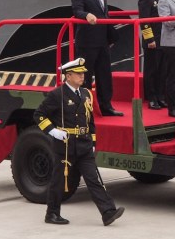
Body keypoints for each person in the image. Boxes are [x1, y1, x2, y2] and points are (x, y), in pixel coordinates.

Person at [33, 58, 125, 226]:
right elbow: (38, 114)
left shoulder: (85, 94)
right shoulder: (57, 95)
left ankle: (107, 212)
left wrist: (93, 141)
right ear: (68, 76)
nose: (82, 76)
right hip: (65, 145)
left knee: (93, 179)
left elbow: (90, 120)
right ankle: (52, 213)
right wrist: (53, 131)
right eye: (78, 73)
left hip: (83, 143)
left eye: (83, 73)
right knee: (58, 181)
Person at [71, 0, 121, 117]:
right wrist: (86, 15)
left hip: (102, 41)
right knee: (85, 76)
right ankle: (85, 108)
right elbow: (77, 10)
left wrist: (110, 35)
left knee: (105, 74)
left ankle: (106, 106)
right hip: (88, 41)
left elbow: (105, 14)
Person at [138, 0, 166, 110]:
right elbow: (144, 21)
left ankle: (161, 96)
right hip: (153, 40)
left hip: (164, 38)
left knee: (162, 69)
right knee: (151, 70)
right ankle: (152, 98)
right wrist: (150, 40)